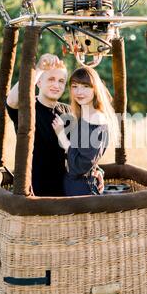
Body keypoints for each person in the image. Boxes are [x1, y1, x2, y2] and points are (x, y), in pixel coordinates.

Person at [6, 54, 104, 196]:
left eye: (61, 81)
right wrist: (38, 68)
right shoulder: (28, 108)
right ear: (38, 82)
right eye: (51, 79)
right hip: (35, 190)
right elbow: (12, 101)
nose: (56, 85)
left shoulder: (69, 112)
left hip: (66, 189)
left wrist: (96, 169)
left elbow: (80, 152)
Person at [52, 66, 118, 196]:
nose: (79, 92)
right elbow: (89, 156)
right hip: (75, 187)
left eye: (85, 86)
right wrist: (97, 169)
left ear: (95, 89)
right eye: (75, 86)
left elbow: (79, 166)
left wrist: (61, 135)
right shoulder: (84, 114)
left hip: (81, 191)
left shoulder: (96, 118)